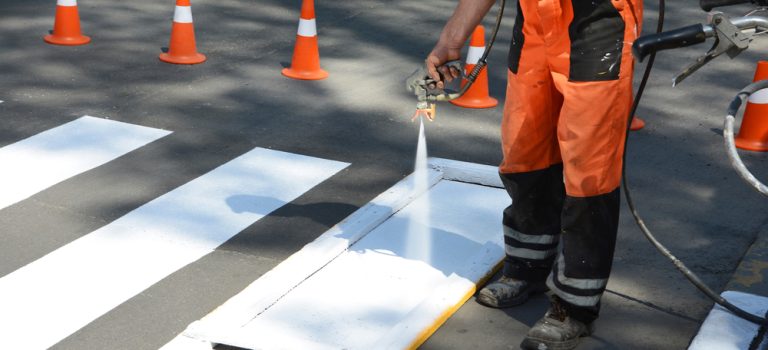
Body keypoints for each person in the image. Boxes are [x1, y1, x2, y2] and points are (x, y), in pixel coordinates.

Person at [425, 0, 643, 349]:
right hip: (536, 22)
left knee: (590, 168)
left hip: (599, 22)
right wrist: (453, 38)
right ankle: (526, 268)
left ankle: (574, 306)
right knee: (525, 151)